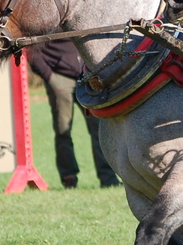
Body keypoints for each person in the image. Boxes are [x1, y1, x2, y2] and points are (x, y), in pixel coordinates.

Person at [28, 39, 120, 189]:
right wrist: (50, 77)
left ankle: (108, 178)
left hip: (86, 77)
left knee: (99, 129)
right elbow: (32, 51)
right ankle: (69, 177)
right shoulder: (46, 24)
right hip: (59, 77)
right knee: (63, 130)